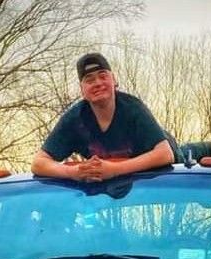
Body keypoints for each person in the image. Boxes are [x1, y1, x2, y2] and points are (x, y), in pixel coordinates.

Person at [31, 52, 178, 182]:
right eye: (89, 80)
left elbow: (165, 154)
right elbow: (38, 163)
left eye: (103, 76)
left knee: (194, 150)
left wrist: (114, 170)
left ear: (114, 80)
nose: (98, 83)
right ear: (82, 89)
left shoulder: (133, 108)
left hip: (172, 159)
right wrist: (73, 172)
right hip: (114, 185)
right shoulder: (74, 119)